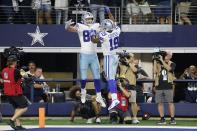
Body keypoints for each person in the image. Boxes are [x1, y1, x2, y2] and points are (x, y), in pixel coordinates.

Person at [65, 12, 106, 108]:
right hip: (84, 55)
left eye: (91, 19)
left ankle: (99, 96)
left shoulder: (96, 26)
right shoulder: (80, 26)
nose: (89, 21)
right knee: (83, 78)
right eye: (87, 19)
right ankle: (83, 92)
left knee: (97, 78)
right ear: (84, 19)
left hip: (94, 55)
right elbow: (70, 29)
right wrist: (67, 26)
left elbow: (104, 30)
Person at [95, 19, 121, 110]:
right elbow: (115, 25)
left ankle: (114, 99)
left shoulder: (103, 34)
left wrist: (95, 32)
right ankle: (114, 98)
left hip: (108, 57)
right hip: (115, 56)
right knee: (112, 78)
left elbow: (95, 40)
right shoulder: (117, 30)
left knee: (109, 78)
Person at [1, 55, 29, 130]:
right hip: (15, 93)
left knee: (17, 108)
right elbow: (25, 76)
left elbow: (3, 80)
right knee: (24, 107)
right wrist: (23, 72)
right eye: (16, 61)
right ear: (14, 62)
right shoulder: (16, 71)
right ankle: (11, 120)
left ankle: (18, 125)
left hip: (8, 93)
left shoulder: (4, 70)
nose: (16, 63)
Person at [153, 51, 176, 125]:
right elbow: (154, 72)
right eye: (164, 55)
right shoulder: (158, 63)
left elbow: (169, 69)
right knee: (159, 103)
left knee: (170, 102)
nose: (165, 56)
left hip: (168, 85)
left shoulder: (172, 63)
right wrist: (154, 61)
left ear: (170, 56)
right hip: (159, 85)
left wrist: (162, 61)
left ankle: (172, 119)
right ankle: (162, 119)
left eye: (166, 55)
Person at [118, 53, 140, 124]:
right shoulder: (121, 64)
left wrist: (129, 63)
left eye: (131, 57)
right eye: (130, 57)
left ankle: (134, 118)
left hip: (131, 86)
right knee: (122, 103)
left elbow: (135, 70)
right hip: (122, 86)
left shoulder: (134, 65)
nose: (132, 59)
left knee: (133, 102)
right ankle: (122, 117)